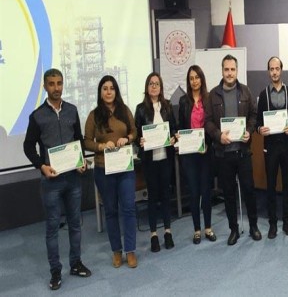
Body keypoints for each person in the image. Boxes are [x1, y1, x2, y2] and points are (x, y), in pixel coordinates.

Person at [23, 68, 91, 290]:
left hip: (73, 178)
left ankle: (75, 263)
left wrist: (82, 160)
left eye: (59, 83)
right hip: (51, 181)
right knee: (52, 228)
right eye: (51, 84)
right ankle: (55, 271)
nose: (56, 88)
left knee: (75, 224)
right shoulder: (37, 116)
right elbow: (28, 146)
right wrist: (41, 166)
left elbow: (79, 140)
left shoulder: (72, 110)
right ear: (45, 86)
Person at [204, 54, 260, 245]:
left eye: (232, 69)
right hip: (223, 154)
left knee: (249, 190)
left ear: (237, 71)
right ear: (222, 71)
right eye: (226, 69)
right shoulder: (213, 95)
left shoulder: (245, 91)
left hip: (243, 151)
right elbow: (207, 121)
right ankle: (233, 229)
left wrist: (249, 131)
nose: (229, 73)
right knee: (228, 193)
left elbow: (253, 114)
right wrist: (218, 135)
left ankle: (253, 226)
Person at [84, 75, 138, 269]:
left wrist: (128, 138)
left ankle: (130, 250)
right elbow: (86, 141)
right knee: (111, 211)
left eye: (112, 88)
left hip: (124, 167)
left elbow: (134, 131)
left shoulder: (124, 111)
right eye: (105, 88)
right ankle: (116, 251)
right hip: (103, 169)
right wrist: (101, 146)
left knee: (129, 208)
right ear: (100, 92)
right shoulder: (94, 115)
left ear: (116, 91)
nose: (109, 92)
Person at [134, 72, 177, 253]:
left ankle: (167, 231)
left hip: (165, 158)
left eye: (157, 83)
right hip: (150, 161)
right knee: (152, 197)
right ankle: (153, 235)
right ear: (147, 87)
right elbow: (135, 134)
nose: (154, 86)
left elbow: (174, 129)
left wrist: (174, 137)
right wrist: (139, 141)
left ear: (161, 87)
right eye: (151, 83)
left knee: (166, 195)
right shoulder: (140, 109)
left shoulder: (167, 106)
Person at [255, 56, 288, 239]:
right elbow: (258, 121)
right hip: (270, 147)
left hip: (287, 146)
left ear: (281, 70)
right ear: (268, 71)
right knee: (271, 186)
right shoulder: (263, 94)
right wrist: (260, 129)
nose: (274, 72)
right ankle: (273, 224)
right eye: (271, 69)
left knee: (287, 185)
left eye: (277, 68)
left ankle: (286, 222)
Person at [177, 65, 216, 244]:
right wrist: (179, 136)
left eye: (197, 77)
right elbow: (181, 126)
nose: (194, 81)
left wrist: (208, 143)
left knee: (206, 191)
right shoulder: (184, 101)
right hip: (189, 153)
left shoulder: (209, 99)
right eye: (191, 78)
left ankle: (208, 227)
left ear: (202, 79)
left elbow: (212, 125)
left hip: (205, 152)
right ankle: (197, 230)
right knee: (193, 192)